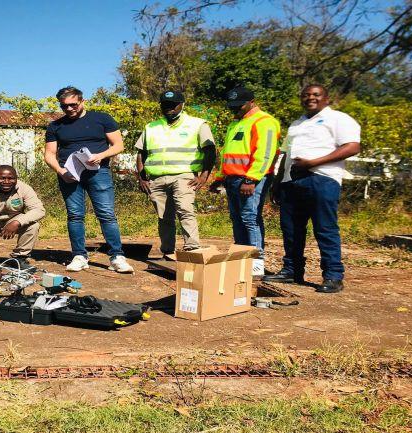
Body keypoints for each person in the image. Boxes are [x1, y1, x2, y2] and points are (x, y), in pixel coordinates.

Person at [264, 84, 361, 293]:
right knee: (291, 230)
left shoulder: (339, 119)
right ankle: (292, 270)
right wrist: (277, 182)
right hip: (291, 182)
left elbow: (352, 146)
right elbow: (285, 155)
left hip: (321, 179)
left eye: (316, 95)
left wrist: (314, 162)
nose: (310, 98)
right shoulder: (296, 124)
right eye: (306, 95)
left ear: (327, 98)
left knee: (325, 229)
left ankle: (333, 276)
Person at [44, 86, 134, 273]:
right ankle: (79, 256)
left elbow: (118, 145)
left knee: (106, 214)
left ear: (82, 101)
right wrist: (61, 171)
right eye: (64, 106)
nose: (69, 109)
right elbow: (49, 154)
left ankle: (117, 256)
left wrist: (100, 155)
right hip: (69, 175)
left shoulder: (102, 119)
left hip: (98, 172)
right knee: (75, 215)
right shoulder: (55, 126)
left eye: (73, 105)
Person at [209, 86, 281, 277]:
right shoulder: (236, 123)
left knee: (250, 219)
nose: (235, 109)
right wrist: (219, 178)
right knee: (237, 219)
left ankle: (256, 267)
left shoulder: (265, 122)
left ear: (251, 102)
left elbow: (265, 154)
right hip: (232, 179)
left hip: (251, 179)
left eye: (239, 105)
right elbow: (226, 154)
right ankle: (241, 262)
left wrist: (251, 179)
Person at [136, 90, 215, 259]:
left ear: (182, 105)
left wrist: (204, 176)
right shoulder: (151, 127)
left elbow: (210, 151)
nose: (169, 108)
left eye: (173, 105)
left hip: (184, 175)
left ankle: (192, 249)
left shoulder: (197, 124)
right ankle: (168, 252)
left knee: (185, 211)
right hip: (157, 178)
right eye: (165, 105)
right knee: (164, 217)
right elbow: (141, 153)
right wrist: (142, 177)